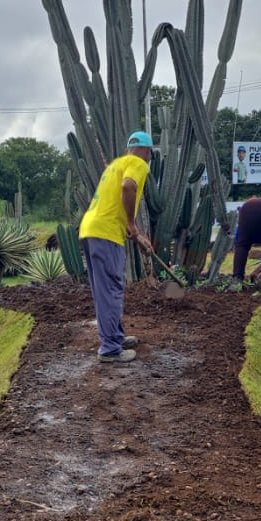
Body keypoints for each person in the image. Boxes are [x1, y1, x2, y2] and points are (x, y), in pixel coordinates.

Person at [79, 131, 155, 363]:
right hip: (106, 234)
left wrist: (136, 233)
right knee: (111, 289)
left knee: (105, 290)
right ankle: (110, 348)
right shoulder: (138, 163)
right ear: (147, 151)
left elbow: (116, 203)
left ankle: (115, 337)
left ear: (128, 148)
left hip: (91, 229)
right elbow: (128, 186)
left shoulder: (116, 164)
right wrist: (132, 223)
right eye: (150, 154)